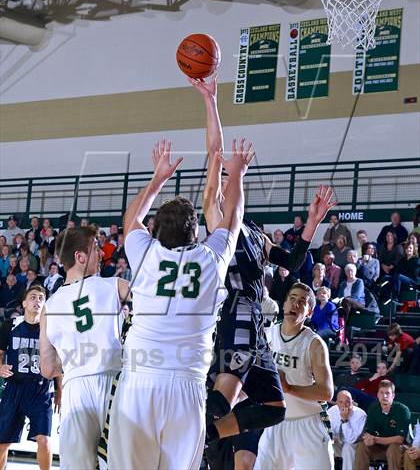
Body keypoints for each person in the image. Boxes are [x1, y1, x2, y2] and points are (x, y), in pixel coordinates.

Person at [189, 76, 336, 458]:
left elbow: (291, 262)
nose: (225, 179)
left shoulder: (254, 233)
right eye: (221, 177)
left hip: (256, 319)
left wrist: (312, 224)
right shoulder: (216, 217)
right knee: (224, 394)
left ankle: (204, 438)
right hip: (234, 309)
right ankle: (184, 438)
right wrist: (211, 101)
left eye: (229, 176)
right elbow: (215, 149)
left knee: (273, 407)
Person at [106, 137, 253, 470]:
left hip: (140, 380)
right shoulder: (212, 258)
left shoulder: (144, 253)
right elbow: (233, 216)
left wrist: (158, 178)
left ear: (155, 232)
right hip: (187, 386)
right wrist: (238, 174)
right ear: (196, 231)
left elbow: (132, 218)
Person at [39, 226, 130, 470]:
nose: (101, 254)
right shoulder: (113, 285)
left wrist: (73, 360)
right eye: (96, 249)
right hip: (114, 386)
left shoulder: (49, 306)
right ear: (80, 257)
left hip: (75, 389)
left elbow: (47, 368)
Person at [254, 283, 334, 470]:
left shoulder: (314, 344)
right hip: (275, 422)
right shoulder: (266, 335)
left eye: (302, 302)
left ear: (309, 312)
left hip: (308, 424)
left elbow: (327, 392)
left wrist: (289, 388)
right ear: (283, 305)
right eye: (292, 299)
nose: (295, 305)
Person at [0, 285, 60, 470]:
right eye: (33, 297)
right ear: (24, 303)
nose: (37, 301)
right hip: (14, 389)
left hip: (40, 391)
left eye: (41, 298)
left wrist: (61, 391)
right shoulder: (10, 325)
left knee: (44, 441)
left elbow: (59, 362)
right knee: (2, 443)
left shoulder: (51, 330)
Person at [355, 379, 410, 470]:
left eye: (387, 393)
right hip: (378, 448)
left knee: (394, 448)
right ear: (377, 394)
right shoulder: (373, 409)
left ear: (393, 395)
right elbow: (368, 432)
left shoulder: (402, 410)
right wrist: (367, 438)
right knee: (362, 446)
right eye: (381, 393)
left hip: (398, 449)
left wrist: (375, 440)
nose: (384, 396)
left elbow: (399, 439)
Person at [328, 390, 367, 470]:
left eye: (347, 402)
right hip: (337, 442)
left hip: (355, 444)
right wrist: (330, 437)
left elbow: (351, 439)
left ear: (352, 402)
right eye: (341, 402)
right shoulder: (331, 411)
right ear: (336, 403)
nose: (344, 405)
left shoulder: (360, 415)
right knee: (324, 444)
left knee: (347, 448)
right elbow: (326, 430)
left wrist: (345, 420)